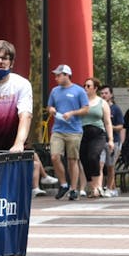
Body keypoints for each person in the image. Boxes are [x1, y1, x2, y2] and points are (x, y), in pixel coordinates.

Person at [46, 65, 88, 199]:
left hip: (74, 130)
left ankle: (73, 189)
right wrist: (51, 109)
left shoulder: (79, 91)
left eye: (58, 75)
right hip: (58, 129)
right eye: (56, 75)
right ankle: (63, 184)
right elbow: (49, 106)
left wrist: (72, 113)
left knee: (72, 160)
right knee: (54, 156)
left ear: (66, 75)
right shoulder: (54, 91)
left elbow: (86, 109)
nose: (56, 78)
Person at [77, 77, 114, 199]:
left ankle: (98, 185)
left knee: (93, 156)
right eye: (85, 85)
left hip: (98, 134)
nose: (85, 88)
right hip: (82, 133)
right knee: (84, 159)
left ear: (95, 88)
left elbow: (107, 122)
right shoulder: (81, 101)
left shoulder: (102, 102)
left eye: (89, 86)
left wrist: (111, 140)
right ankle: (93, 187)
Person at [99, 84, 124, 197]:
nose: (104, 95)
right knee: (100, 164)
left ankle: (110, 188)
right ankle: (99, 188)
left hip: (113, 141)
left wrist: (109, 127)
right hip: (100, 140)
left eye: (106, 93)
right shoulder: (97, 107)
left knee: (110, 166)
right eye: (102, 93)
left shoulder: (116, 109)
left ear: (111, 95)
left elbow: (120, 126)